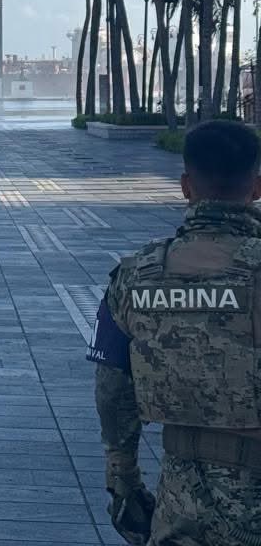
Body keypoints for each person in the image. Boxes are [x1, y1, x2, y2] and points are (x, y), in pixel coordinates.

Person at [88, 119, 261, 545]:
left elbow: (113, 391)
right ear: (257, 187)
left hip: (181, 507)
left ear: (186, 186)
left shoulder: (135, 277)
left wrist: (123, 481)